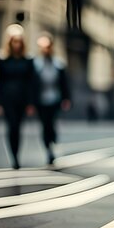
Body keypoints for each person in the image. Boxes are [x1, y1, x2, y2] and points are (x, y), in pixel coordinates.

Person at [0, 24, 36, 169]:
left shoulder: (28, 60)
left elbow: (31, 82)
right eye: (14, 41)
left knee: (18, 127)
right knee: (11, 127)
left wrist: (31, 103)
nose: (17, 44)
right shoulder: (3, 59)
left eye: (19, 41)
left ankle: (16, 152)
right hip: (7, 99)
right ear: (10, 42)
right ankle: (14, 156)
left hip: (22, 99)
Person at [33, 33, 71, 164]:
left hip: (54, 99)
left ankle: (53, 137)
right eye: (42, 47)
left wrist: (66, 99)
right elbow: (31, 85)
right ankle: (48, 148)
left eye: (47, 46)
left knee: (51, 123)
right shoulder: (36, 65)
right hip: (40, 100)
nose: (45, 49)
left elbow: (64, 83)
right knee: (45, 124)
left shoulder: (58, 64)